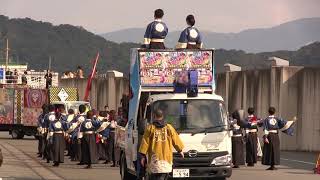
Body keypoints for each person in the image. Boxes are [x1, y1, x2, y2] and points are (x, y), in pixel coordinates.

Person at [139, 109, 184, 180]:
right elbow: (175, 139)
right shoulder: (169, 128)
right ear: (163, 116)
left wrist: (142, 156)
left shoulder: (150, 128)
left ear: (154, 116)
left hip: (154, 159)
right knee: (163, 176)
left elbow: (145, 142)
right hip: (166, 159)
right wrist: (180, 150)